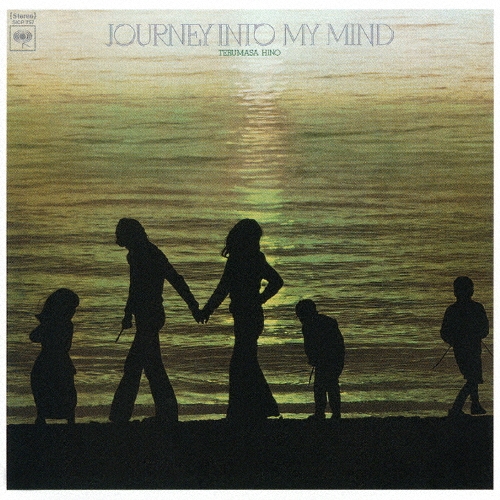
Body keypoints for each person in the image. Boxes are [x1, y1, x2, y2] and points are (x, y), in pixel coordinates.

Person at [109, 218, 201, 424]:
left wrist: (193, 306)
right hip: (147, 317)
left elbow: (174, 279)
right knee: (151, 367)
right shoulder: (138, 254)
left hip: (151, 317)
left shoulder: (148, 254)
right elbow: (135, 288)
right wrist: (128, 313)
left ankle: (121, 416)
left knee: (135, 366)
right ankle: (166, 413)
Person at [201, 219, 283, 423]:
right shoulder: (254, 258)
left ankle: (247, 410)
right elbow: (276, 281)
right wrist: (260, 299)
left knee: (241, 363)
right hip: (249, 315)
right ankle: (254, 409)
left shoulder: (240, 259)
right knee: (246, 362)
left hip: (247, 316)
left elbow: (223, 288)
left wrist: (208, 309)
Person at [440, 276, 489, 417]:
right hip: (469, 348)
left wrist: (454, 340)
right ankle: (457, 408)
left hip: (464, 349)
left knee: (473, 377)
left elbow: (444, 332)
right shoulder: (476, 308)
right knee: (473, 378)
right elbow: (484, 329)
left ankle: (475, 405)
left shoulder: (452, 310)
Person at [30, 288, 79, 425]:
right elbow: (66, 346)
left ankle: (43, 417)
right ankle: (68, 419)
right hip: (59, 360)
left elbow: (34, 336)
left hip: (48, 359)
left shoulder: (56, 324)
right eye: (71, 308)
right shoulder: (65, 324)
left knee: (48, 388)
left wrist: (46, 326)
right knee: (62, 389)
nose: (73, 312)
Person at [295, 299, 345, 421]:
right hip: (335, 358)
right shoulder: (328, 322)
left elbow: (310, 345)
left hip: (329, 359)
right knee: (330, 385)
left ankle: (322, 413)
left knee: (322, 387)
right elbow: (339, 342)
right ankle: (334, 413)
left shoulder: (309, 326)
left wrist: (314, 358)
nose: (299, 319)